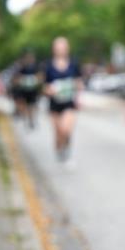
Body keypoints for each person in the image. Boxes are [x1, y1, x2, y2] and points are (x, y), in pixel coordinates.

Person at [44, 36, 83, 165]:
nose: (61, 50)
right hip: (54, 104)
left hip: (69, 103)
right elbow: (44, 87)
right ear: (54, 49)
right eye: (58, 47)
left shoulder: (74, 64)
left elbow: (79, 83)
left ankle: (67, 150)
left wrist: (76, 89)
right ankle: (59, 149)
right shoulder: (48, 66)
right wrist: (50, 90)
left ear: (67, 49)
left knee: (66, 129)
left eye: (63, 47)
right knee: (58, 132)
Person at [11, 51, 42, 129]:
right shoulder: (22, 68)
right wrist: (22, 80)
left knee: (32, 105)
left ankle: (31, 119)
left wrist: (35, 80)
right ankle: (27, 118)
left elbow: (40, 77)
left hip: (33, 90)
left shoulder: (36, 67)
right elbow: (16, 78)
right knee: (26, 105)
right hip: (24, 90)